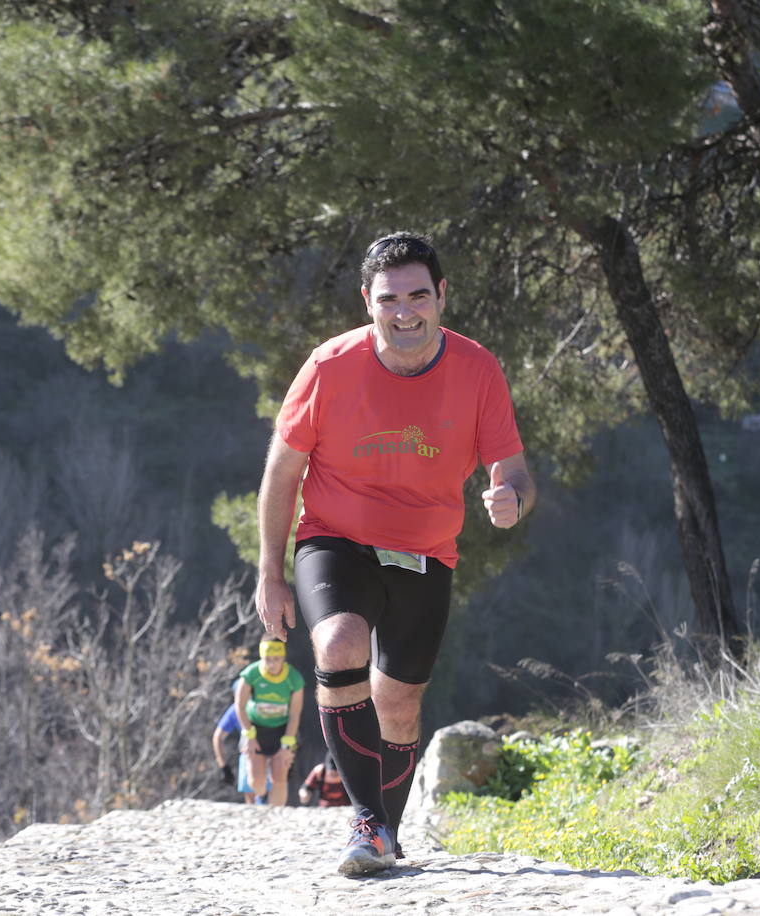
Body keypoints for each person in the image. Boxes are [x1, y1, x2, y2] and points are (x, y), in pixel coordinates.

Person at [255, 231, 535, 876]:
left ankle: (386, 828)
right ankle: (368, 822)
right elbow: (281, 472)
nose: (403, 311)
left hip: (426, 550)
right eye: (389, 299)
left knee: (399, 703)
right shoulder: (329, 366)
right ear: (367, 302)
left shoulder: (477, 369)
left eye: (417, 295)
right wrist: (271, 573)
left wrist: (511, 500)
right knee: (338, 644)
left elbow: (513, 469)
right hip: (334, 537)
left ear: (441, 296)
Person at [234, 638, 305, 807]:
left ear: (283, 657)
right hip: (255, 729)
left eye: (276, 659)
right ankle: (260, 784)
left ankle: (276, 816)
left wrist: (287, 743)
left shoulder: (294, 678)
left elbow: (295, 714)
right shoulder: (251, 674)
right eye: (267, 659)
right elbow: (239, 706)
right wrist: (249, 735)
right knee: (257, 784)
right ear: (261, 657)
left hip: (282, 730)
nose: (272, 665)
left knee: (279, 776)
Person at [211, 701, 271, 804]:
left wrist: (223, 766)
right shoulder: (269, 702)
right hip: (269, 753)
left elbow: (218, 737)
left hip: (250, 753)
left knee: (253, 800)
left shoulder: (236, 708)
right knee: (269, 799)